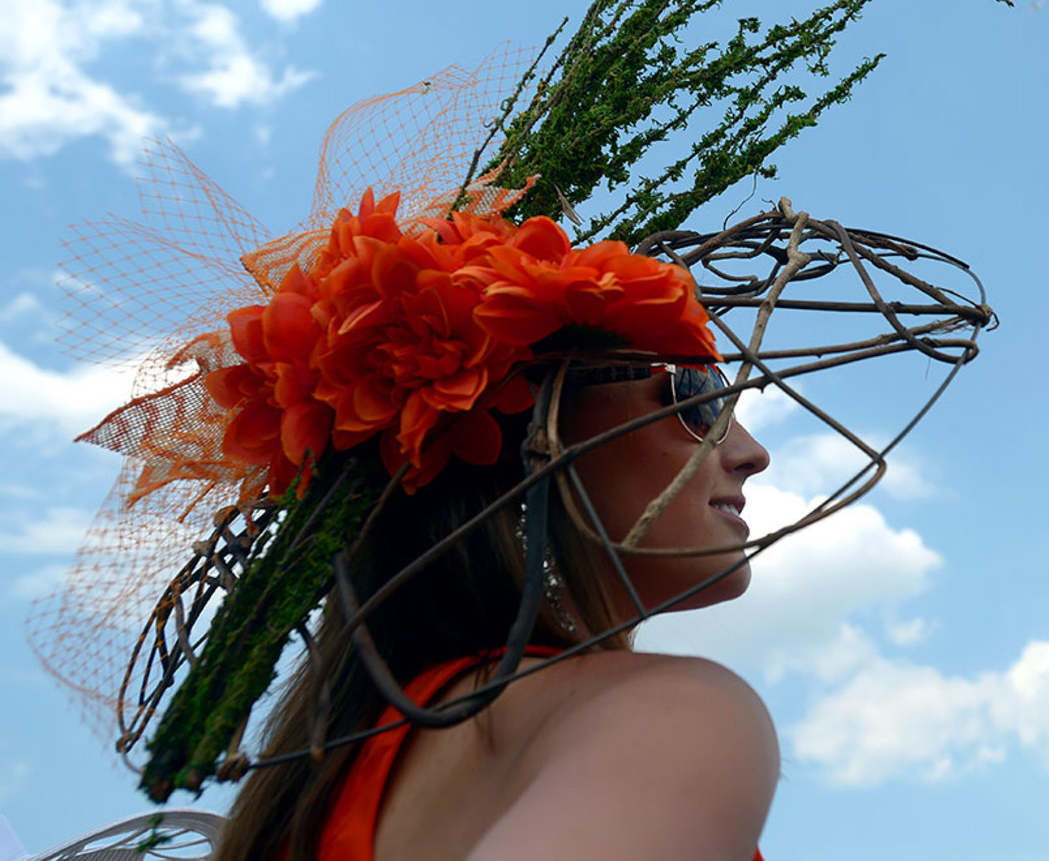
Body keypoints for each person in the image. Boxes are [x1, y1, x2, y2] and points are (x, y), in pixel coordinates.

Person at [208, 224, 781, 860]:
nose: (752, 453)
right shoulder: (669, 716)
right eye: (699, 397)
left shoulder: (319, 781)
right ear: (533, 438)